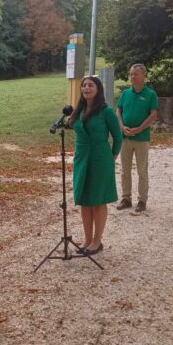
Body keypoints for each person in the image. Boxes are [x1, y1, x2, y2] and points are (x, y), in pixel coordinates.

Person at [69, 76, 123, 255]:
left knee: (98, 200)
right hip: (82, 157)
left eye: (90, 85)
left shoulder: (106, 111)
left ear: (98, 89)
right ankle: (87, 239)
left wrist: (111, 156)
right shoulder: (80, 109)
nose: (86, 88)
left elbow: (118, 137)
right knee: (84, 199)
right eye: (83, 85)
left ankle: (97, 241)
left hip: (100, 159)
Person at [116, 63, 159, 213]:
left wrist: (140, 128)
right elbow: (118, 110)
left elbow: (153, 114)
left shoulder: (150, 94)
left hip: (142, 138)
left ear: (144, 76)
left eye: (136, 74)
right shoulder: (126, 93)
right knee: (124, 170)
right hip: (125, 137)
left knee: (142, 170)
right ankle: (126, 198)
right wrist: (122, 126)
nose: (132, 76)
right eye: (131, 74)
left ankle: (142, 200)